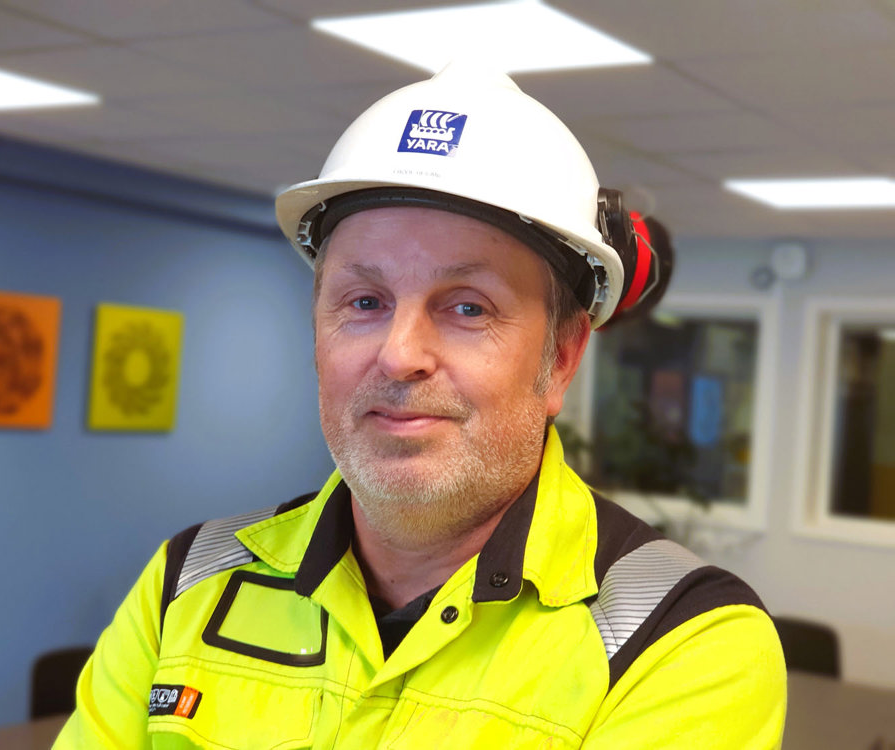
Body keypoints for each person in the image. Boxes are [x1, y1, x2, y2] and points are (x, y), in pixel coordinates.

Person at [55, 63, 786, 748]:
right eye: (365, 301)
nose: (400, 352)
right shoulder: (187, 585)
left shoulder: (677, 639)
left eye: (468, 307)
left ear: (560, 358)